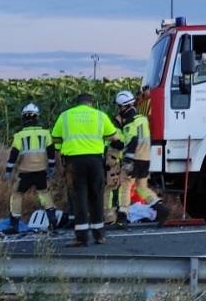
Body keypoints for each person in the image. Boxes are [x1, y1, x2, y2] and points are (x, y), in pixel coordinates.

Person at [51, 92, 119, 247]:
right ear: (91, 103)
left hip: (74, 162)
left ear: (77, 103)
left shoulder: (66, 116)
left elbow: (55, 138)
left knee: (78, 197)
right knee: (96, 195)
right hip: (95, 161)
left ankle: (81, 237)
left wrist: (61, 151)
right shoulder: (100, 115)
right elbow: (114, 136)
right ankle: (99, 235)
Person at [112, 89, 170, 225]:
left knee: (125, 186)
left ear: (124, 106)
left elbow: (132, 141)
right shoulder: (142, 119)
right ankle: (160, 209)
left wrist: (127, 160)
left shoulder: (130, 123)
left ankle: (122, 217)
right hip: (145, 159)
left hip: (134, 159)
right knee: (141, 187)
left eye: (119, 107)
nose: (118, 109)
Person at [4, 103, 59, 234]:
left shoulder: (19, 136)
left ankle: (14, 224)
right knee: (44, 193)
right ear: (37, 118)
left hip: (25, 172)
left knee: (17, 195)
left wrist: (8, 170)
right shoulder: (46, 133)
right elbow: (51, 151)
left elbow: (14, 155)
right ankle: (52, 220)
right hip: (41, 171)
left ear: (24, 118)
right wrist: (51, 167)